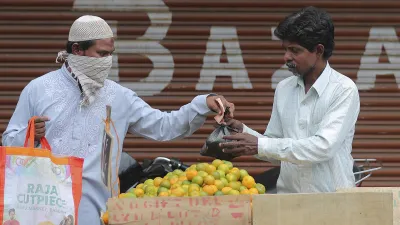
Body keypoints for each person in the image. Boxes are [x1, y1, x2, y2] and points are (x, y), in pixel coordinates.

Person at [2, 15, 235, 225]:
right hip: (42, 211)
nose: (107, 61)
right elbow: (9, 143)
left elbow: (164, 126)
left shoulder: (118, 96)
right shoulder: (39, 89)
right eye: (101, 54)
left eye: (110, 54)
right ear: (77, 50)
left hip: (97, 212)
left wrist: (203, 103)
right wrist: (31, 135)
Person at [220, 6, 360, 193]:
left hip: (332, 200)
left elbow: (323, 147)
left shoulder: (343, 89)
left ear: (318, 50)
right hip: (288, 200)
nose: (287, 57)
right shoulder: (284, 89)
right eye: (285, 49)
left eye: (295, 50)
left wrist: (260, 144)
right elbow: (276, 152)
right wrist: (243, 132)